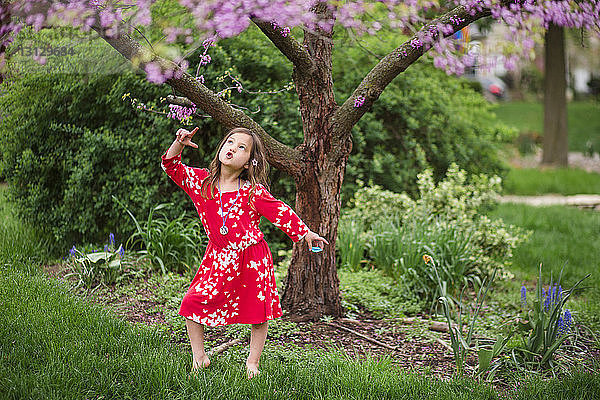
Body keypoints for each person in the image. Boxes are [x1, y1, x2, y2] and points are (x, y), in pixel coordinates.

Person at [161, 126, 328, 379]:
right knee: (191, 302)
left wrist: (306, 234)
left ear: (249, 163)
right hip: (218, 257)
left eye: (242, 147)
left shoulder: (252, 192)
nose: (232, 148)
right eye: (230, 142)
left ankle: (252, 362)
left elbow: (280, 211)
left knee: (257, 313)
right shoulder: (202, 183)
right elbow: (171, 166)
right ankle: (200, 358)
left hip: (252, 257)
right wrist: (179, 144)